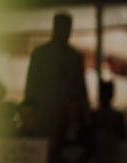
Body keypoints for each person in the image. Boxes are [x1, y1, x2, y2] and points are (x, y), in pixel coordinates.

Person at [24, 12, 90, 142]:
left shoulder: (74, 57)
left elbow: (81, 89)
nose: (64, 32)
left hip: (68, 118)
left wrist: (84, 116)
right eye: (61, 28)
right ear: (54, 28)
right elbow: (31, 86)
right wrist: (30, 115)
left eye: (67, 28)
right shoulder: (40, 55)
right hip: (43, 116)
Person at [92, 81, 127, 163]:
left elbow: (123, 135)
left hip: (108, 156)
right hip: (102, 156)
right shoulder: (98, 116)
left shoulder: (111, 116)